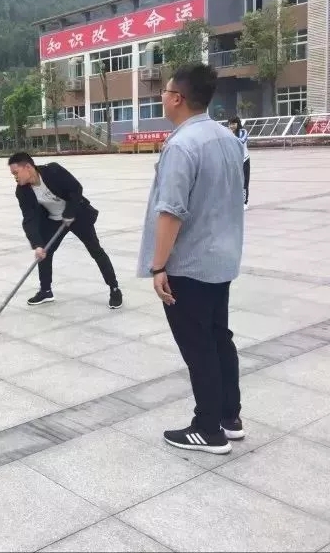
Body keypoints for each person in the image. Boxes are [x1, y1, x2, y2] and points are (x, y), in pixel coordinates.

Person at [137, 63, 245, 455]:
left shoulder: (182, 145)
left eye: (164, 91)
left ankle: (208, 428)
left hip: (191, 264)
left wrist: (159, 265)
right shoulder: (226, 138)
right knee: (219, 338)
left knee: (198, 346)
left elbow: (171, 210)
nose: (162, 97)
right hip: (221, 259)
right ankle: (229, 418)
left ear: (177, 98)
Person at [8, 152, 123, 309]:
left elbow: (76, 189)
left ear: (27, 167)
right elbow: (29, 219)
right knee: (44, 254)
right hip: (54, 221)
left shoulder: (53, 171)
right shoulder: (22, 191)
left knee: (95, 250)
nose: (15, 177)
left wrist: (69, 213)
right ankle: (46, 291)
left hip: (76, 216)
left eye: (16, 172)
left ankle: (114, 288)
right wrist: (37, 244)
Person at [228, 116, 250, 210]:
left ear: (238, 123)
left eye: (233, 123)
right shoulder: (228, 133)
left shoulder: (243, 132)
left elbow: (242, 141)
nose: (232, 126)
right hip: (234, 161)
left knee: (245, 182)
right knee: (234, 182)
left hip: (244, 160)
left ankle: (244, 202)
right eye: (230, 124)